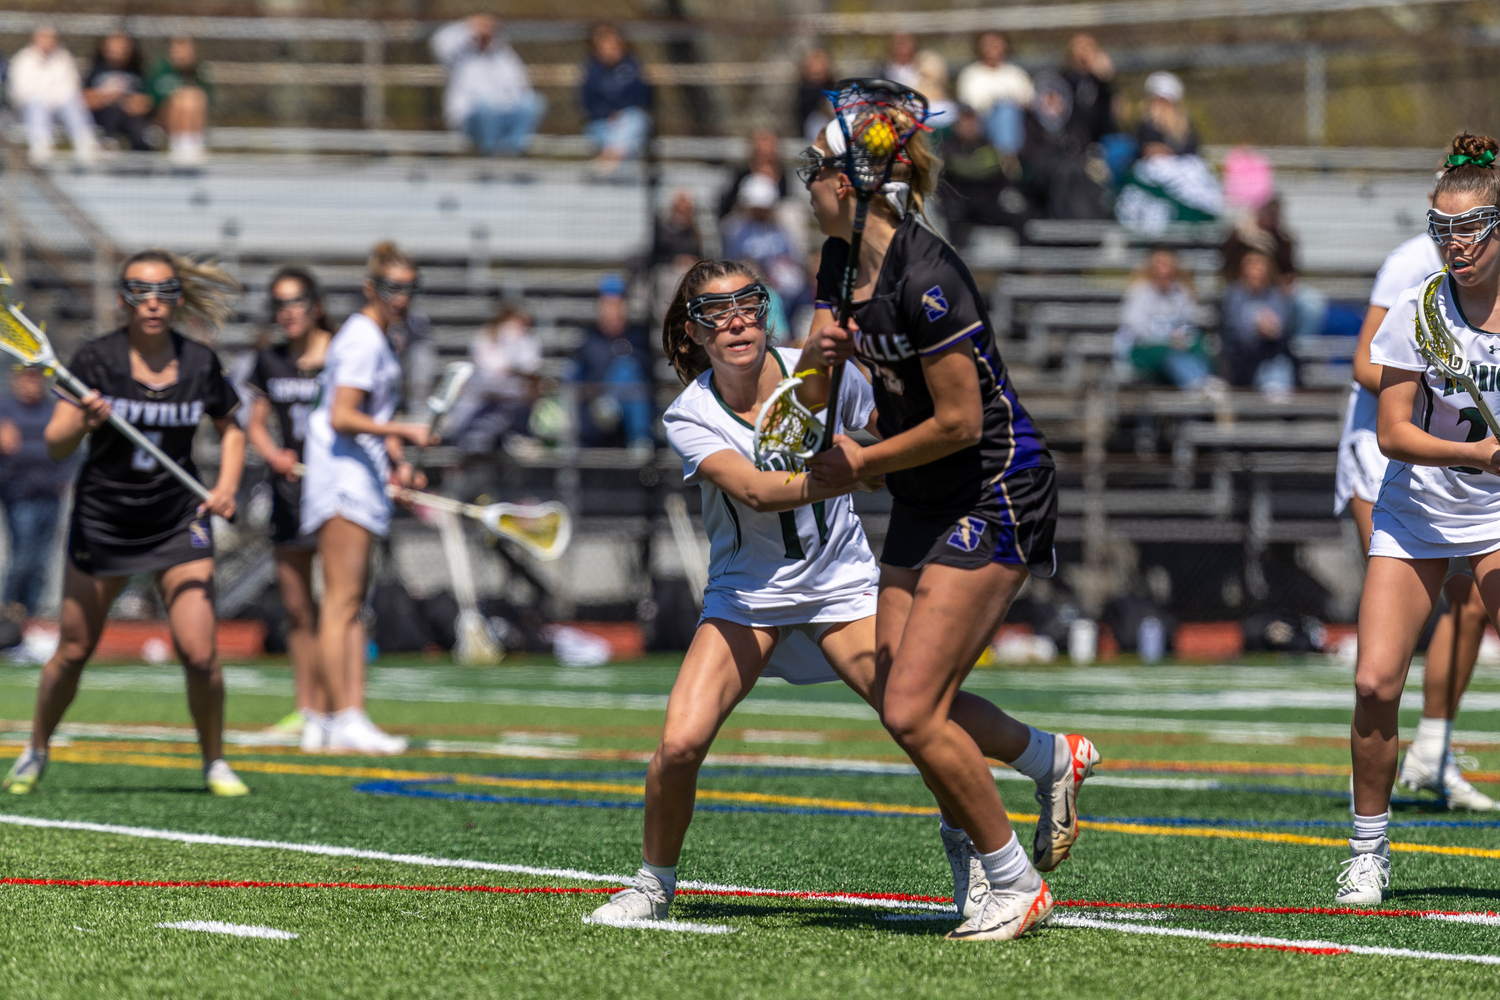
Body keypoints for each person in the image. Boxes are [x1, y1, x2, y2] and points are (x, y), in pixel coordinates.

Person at [592, 261, 1093, 928]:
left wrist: (875, 460)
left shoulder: (819, 373)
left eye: (749, 303)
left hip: (840, 582)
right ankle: (652, 884)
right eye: (718, 312)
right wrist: (850, 472)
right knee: (679, 745)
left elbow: (891, 438)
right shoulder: (689, 412)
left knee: (916, 712)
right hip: (748, 593)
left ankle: (1041, 763)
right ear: (693, 333)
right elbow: (753, 490)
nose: (738, 321)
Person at [797, 116, 1098, 940]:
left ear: (853, 184)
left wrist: (859, 465)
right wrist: (821, 355)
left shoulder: (930, 276)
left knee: (912, 709)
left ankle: (1011, 878)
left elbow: (963, 421)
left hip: (995, 485)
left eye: (814, 170)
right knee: (902, 699)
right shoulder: (834, 264)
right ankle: (1048, 759)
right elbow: (819, 399)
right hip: (925, 493)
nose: (806, 185)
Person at [2, 250, 247, 796]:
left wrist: (227, 485)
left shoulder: (200, 362)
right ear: (122, 299)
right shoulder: (95, 361)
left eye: (162, 291)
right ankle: (36, 748)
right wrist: (86, 422)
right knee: (72, 651)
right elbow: (56, 440)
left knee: (200, 650)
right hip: (105, 521)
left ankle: (214, 761)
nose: (152, 302)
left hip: (177, 520)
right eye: (139, 291)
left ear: (178, 298)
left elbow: (232, 427)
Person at [1339, 131, 1500, 904]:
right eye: (1442, 230)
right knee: (1373, 682)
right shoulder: (1419, 308)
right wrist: (1481, 457)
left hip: (1499, 515)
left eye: (1469, 228)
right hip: (1420, 510)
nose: (1455, 244)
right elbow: (1392, 431)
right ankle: (1369, 851)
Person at [299, 242, 435, 754]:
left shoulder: (377, 337)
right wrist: (405, 429)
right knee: (340, 604)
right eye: (392, 287)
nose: (401, 297)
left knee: (351, 606)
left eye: (409, 287)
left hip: (358, 479)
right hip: (342, 482)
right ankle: (339, 717)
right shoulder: (362, 337)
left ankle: (343, 715)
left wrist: (396, 459)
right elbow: (343, 415)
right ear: (371, 287)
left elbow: (367, 419)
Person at [244, 267, 336, 749]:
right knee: (299, 611)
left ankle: (339, 709)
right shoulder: (269, 360)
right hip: (289, 494)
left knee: (340, 607)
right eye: (280, 302)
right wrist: (274, 453)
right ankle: (306, 709)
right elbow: (255, 422)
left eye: (297, 300)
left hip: (335, 493)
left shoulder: (341, 355)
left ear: (315, 304)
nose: (288, 311)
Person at [0, 368, 72, 614]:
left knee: (42, 562)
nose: (31, 383)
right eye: (26, 378)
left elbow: (68, 450)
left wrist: (61, 477)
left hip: (51, 495)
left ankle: (32, 617)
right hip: (18, 494)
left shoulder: (52, 411)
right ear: (16, 381)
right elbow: (14, 449)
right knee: (22, 559)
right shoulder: (5, 409)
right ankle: (9, 615)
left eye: (35, 378)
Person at [431, 15, 547, 158]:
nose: (485, 33)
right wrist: (468, 26)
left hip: (503, 114)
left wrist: (507, 107)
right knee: (485, 105)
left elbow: (521, 87)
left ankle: (511, 151)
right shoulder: (460, 54)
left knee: (533, 103)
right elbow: (439, 42)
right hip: (471, 118)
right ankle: (490, 154)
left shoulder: (504, 56)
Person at [571, 274, 654, 452]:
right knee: (625, 369)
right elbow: (577, 380)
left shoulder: (637, 338)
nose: (611, 311)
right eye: (607, 305)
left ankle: (635, 433)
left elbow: (648, 375)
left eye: (616, 305)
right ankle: (640, 438)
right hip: (595, 412)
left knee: (627, 369)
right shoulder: (589, 340)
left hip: (629, 409)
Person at [1115, 248, 1215, 391]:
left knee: (1201, 346)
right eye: (1159, 265)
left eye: (1167, 265)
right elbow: (1137, 328)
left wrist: (1181, 337)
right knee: (1168, 354)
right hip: (1144, 350)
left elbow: (1191, 322)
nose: (1164, 270)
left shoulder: (1181, 292)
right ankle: (1197, 385)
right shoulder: (1139, 292)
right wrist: (1167, 339)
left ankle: (1204, 381)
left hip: (1176, 348)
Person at [447, 303, 542, 453]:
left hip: (512, 402)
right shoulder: (485, 338)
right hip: (482, 400)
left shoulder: (527, 341)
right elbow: (490, 369)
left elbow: (529, 367)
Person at [938, 104, 1033, 248]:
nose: (969, 126)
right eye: (965, 121)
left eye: (972, 121)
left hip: (986, 205)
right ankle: (957, 262)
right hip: (958, 206)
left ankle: (1024, 264)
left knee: (1019, 217)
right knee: (952, 217)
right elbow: (945, 181)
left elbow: (1002, 179)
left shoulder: (989, 147)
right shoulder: (947, 148)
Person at [9, 26, 99, 166]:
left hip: (60, 104)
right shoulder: (23, 59)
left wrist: (54, 99)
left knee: (72, 102)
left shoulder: (64, 58)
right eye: (44, 37)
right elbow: (20, 91)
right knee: (37, 103)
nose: (48, 42)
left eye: (51, 38)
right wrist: (45, 97)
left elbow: (72, 86)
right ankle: (41, 145)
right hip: (30, 107)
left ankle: (86, 142)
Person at [722, 175, 808, 313]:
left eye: (763, 208)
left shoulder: (782, 227)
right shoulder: (735, 228)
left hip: (780, 284)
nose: (759, 212)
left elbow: (792, 258)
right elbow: (732, 260)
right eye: (755, 207)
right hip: (751, 281)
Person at [1219, 250, 1297, 394]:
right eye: (1251, 266)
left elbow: (1283, 327)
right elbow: (1235, 329)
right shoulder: (1234, 295)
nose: (1256, 271)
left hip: (1271, 354)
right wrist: (1257, 329)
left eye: (1259, 266)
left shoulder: (1275, 295)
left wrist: (1273, 330)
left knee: (1280, 368)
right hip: (1242, 358)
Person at [580, 23, 652, 171]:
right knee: (623, 140)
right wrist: (607, 114)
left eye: (612, 46)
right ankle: (613, 157)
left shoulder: (632, 67)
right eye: (603, 47)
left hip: (628, 120)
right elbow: (588, 102)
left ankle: (609, 159)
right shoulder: (592, 72)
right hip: (601, 123)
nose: (608, 51)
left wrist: (619, 114)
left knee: (635, 120)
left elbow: (640, 96)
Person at [955, 31, 1032, 157]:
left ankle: (1005, 155)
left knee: (1006, 112)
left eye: (996, 45)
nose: (991, 49)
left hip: (1016, 124)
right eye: (987, 45)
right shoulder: (970, 74)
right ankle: (1007, 158)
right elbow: (967, 106)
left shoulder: (1016, 74)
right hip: (982, 122)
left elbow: (1028, 102)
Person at [146, 36, 212, 166]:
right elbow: (151, 101)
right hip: (162, 121)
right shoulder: (160, 70)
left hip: (192, 119)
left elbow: (208, 100)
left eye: (186, 49)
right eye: (178, 49)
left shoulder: (198, 73)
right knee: (182, 98)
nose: (182, 54)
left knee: (194, 96)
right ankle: (181, 147)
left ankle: (193, 146)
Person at [84, 30, 152, 152]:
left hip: (131, 117)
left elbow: (146, 102)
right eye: (115, 46)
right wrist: (109, 97)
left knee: (139, 132)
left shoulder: (137, 72)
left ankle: (142, 160)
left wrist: (126, 100)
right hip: (103, 117)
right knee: (114, 110)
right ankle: (108, 142)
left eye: (124, 47)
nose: (120, 51)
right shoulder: (96, 70)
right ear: (105, 48)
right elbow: (86, 100)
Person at [717, 128, 788, 222]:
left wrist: (773, 181)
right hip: (746, 216)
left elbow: (784, 198)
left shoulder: (782, 174)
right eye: (761, 144)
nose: (764, 149)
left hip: (772, 218)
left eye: (768, 144)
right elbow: (729, 202)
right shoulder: (742, 173)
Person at [795, 47, 835, 143]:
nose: (817, 69)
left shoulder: (833, 88)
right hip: (809, 135)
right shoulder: (802, 92)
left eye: (820, 64)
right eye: (813, 65)